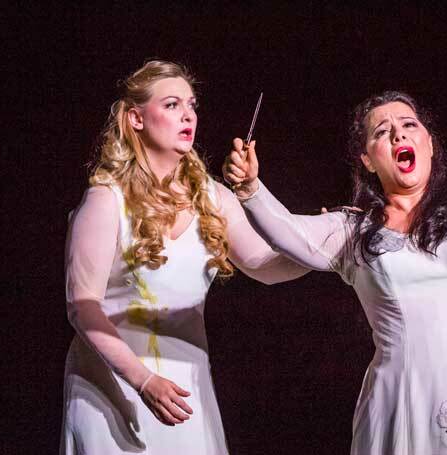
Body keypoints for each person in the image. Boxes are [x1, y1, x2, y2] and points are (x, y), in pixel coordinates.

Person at [223, 8, 447, 454]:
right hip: (404, 403)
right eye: (382, 132)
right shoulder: (353, 231)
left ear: (428, 143)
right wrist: (249, 189)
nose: (397, 135)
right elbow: (285, 234)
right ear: (368, 160)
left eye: (408, 125)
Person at [61, 60, 308, 454]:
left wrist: (328, 245)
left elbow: (266, 266)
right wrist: (143, 380)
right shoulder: (106, 199)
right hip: (115, 388)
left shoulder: (213, 197)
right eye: (172, 104)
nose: (188, 115)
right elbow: (83, 305)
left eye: (191, 105)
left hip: (186, 394)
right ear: (136, 119)